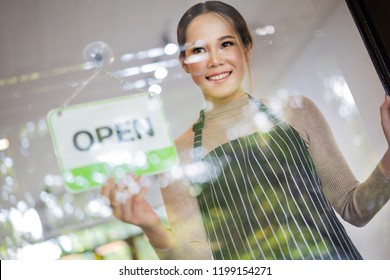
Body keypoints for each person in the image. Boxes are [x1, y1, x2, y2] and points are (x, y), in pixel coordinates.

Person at [102, 1, 390, 260]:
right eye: (199, 50)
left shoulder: (298, 111)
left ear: (246, 46)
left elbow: (356, 209)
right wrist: (152, 226)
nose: (215, 60)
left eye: (226, 44)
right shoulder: (177, 154)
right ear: (184, 63)